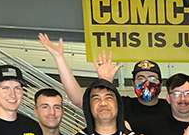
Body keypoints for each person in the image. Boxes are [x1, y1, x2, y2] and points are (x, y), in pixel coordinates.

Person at [39, 34, 171, 124]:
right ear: (133, 83)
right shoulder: (122, 105)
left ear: (160, 83)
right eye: (140, 78)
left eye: (152, 78)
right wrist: (59, 58)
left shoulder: (171, 108)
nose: (146, 83)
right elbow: (79, 99)